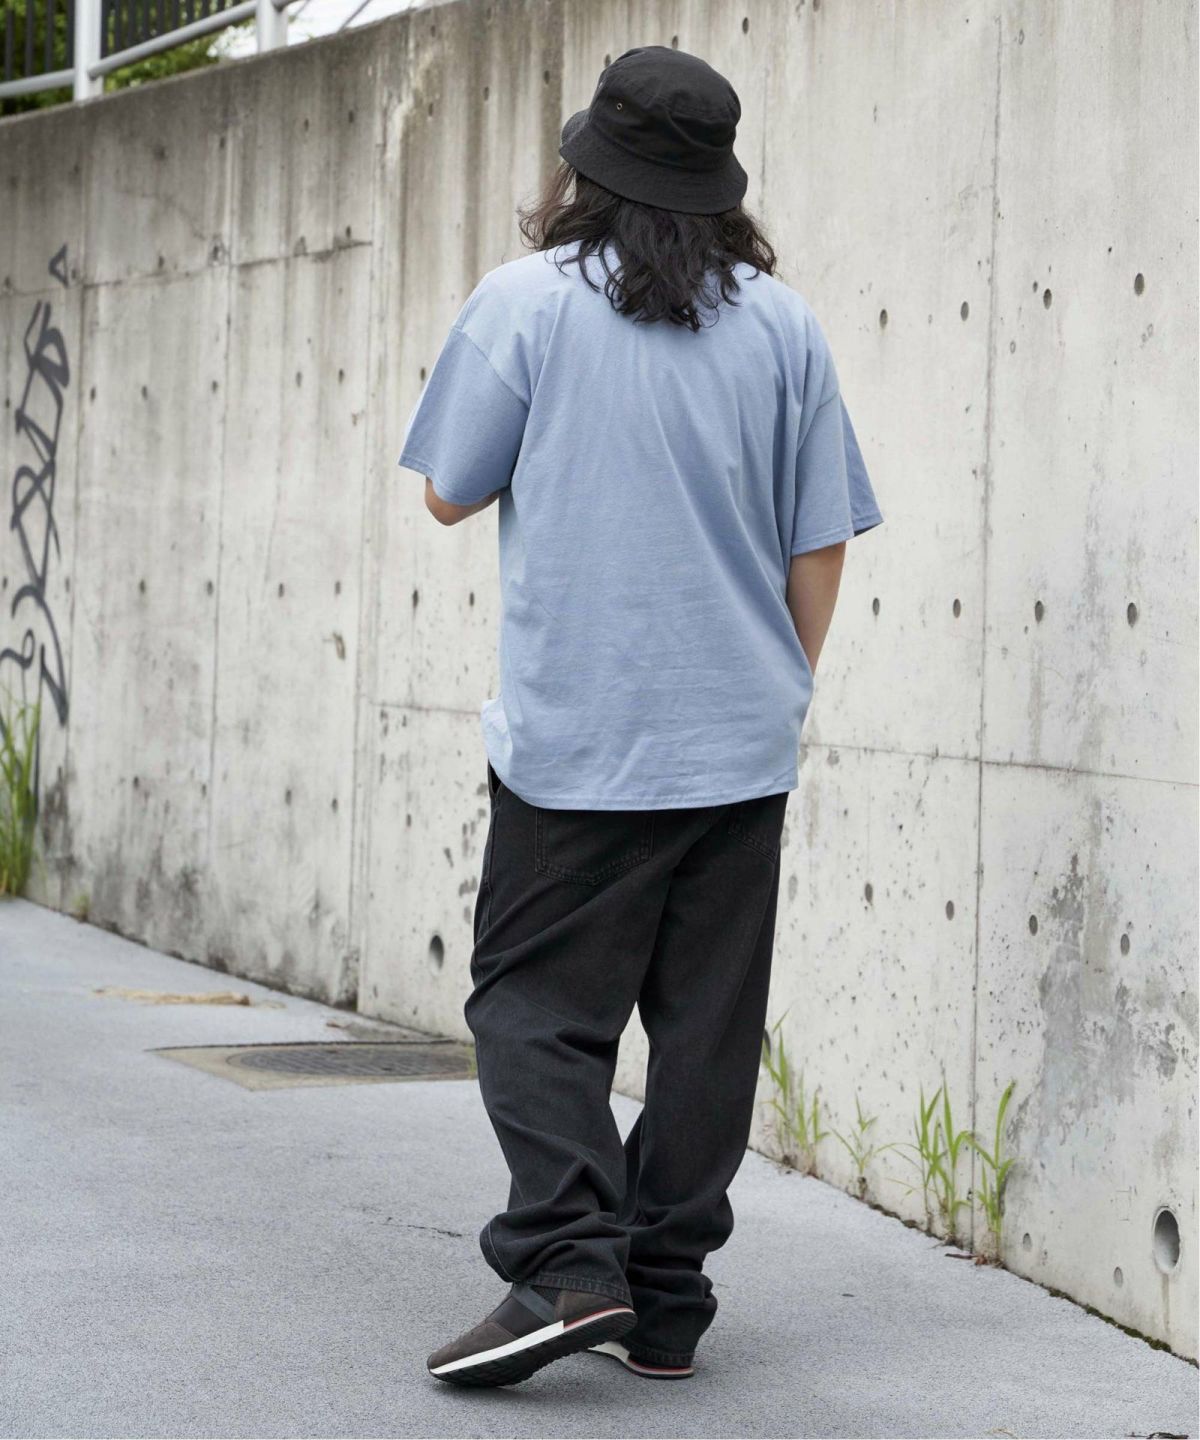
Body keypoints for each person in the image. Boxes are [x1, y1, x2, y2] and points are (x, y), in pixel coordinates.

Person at [398, 43, 884, 1389]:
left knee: (532, 1012)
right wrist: (776, 686)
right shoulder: (785, 327)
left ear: (588, 169)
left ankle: (567, 1262)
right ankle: (665, 1299)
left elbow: (447, 490)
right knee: (705, 1033)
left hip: (579, 745)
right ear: (720, 184)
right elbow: (823, 538)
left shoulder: (527, 303)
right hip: (740, 744)